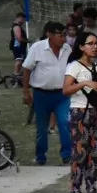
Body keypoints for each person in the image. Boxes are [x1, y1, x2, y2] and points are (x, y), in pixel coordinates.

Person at [62, 32, 97, 193]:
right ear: (81, 46)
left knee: (93, 154)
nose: (94, 46)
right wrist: (84, 83)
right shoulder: (75, 66)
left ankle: (91, 190)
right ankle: (75, 191)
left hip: (96, 113)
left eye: (96, 43)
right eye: (90, 43)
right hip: (79, 112)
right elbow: (66, 89)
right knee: (79, 153)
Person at [22, 22, 72, 166]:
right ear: (49, 34)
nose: (63, 38)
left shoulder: (68, 48)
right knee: (42, 128)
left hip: (62, 94)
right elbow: (27, 69)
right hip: (41, 94)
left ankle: (67, 155)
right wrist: (25, 91)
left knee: (64, 123)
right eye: (60, 35)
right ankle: (41, 156)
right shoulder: (37, 48)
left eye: (65, 35)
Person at [10, 12, 29, 80]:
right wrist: (28, 41)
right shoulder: (16, 27)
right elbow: (19, 38)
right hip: (18, 46)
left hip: (19, 46)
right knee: (19, 61)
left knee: (21, 61)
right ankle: (15, 74)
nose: (24, 21)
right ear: (20, 17)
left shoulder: (16, 26)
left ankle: (17, 74)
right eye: (23, 19)